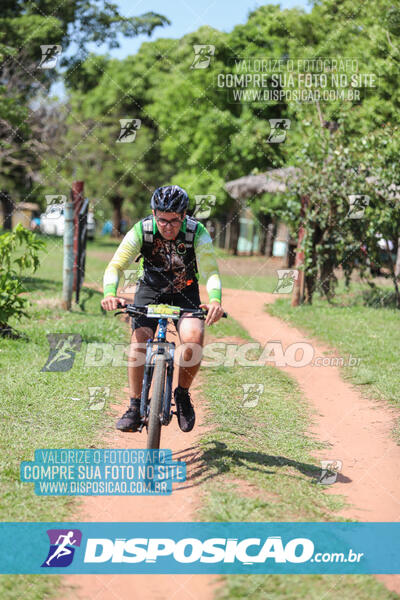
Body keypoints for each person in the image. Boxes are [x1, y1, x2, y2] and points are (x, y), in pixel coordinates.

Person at [101, 185, 225, 433]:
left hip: (185, 292)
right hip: (150, 290)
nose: (168, 226)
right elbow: (115, 266)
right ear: (153, 213)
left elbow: (211, 271)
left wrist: (214, 300)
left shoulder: (196, 232)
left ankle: (182, 394)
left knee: (193, 339)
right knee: (139, 342)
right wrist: (110, 294)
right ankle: (135, 406)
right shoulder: (143, 229)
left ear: (184, 215)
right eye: (162, 220)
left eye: (174, 221)